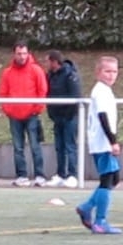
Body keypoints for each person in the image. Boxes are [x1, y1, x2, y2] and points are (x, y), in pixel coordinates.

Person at [75, 56, 122, 235]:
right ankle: (100, 221)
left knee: (114, 178)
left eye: (114, 71)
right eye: (107, 71)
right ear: (98, 72)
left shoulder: (105, 91)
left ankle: (86, 207)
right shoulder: (100, 91)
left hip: (103, 142)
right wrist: (113, 141)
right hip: (102, 143)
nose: (111, 75)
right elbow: (103, 117)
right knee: (107, 179)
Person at [0, 41, 49, 186]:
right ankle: (22, 175)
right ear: (14, 54)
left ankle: (40, 175)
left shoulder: (36, 70)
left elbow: (42, 90)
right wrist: (8, 110)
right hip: (14, 115)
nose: (22, 57)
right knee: (18, 147)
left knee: (35, 146)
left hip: (32, 114)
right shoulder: (7, 73)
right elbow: (3, 93)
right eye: (19, 54)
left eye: (24, 53)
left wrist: (37, 109)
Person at [44, 49, 81, 187]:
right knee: (59, 147)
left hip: (69, 117)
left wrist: (68, 114)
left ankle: (72, 175)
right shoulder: (50, 75)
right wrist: (52, 113)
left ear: (54, 62)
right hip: (57, 117)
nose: (46, 64)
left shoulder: (70, 74)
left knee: (70, 146)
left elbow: (75, 96)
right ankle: (60, 174)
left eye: (48, 61)